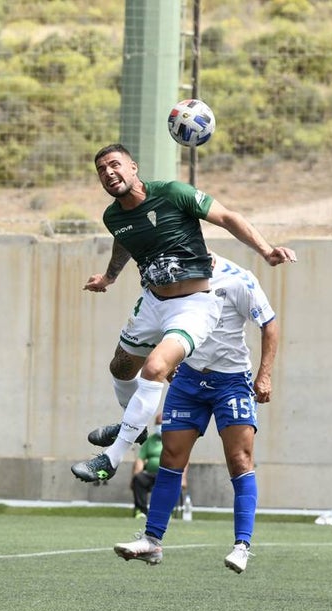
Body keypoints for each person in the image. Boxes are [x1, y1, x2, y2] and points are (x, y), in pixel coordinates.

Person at [72, 143, 296, 484]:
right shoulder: (113, 217)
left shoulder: (174, 194)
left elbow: (228, 218)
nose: (108, 172)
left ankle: (111, 457)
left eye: (114, 164)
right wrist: (109, 277)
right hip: (152, 302)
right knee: (120, 368)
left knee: (155, 368)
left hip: (193, 305)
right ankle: (134, 424)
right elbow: (124, 240)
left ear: (133, 167)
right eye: (101, 169)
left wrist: (266, 251)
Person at [111, 253, 278, 573]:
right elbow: (160, 320)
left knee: (240, 459)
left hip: (231, 381)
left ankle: (242, 546)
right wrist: (168, 361)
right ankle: (152, 541)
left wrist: (265, 375)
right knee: (171, 456)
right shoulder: (174, 275)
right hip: (188, 379)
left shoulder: (239, 280)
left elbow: (269, 325)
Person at [130, 414, 165, 519]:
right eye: (158, 424)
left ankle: (164, 512)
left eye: (162, 424)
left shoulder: (174, 440)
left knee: (171, 481)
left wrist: (183, 478)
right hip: (151, 474)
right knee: (138, 479)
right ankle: (141, 511)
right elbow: (140, 459)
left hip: (166, 474)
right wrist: (135, 476)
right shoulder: (150, 440)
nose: (160, 426)